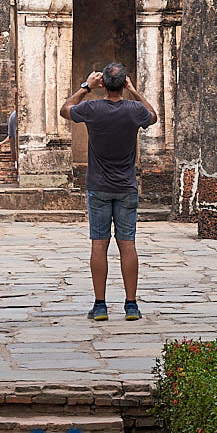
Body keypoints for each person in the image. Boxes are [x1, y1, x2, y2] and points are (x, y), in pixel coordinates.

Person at [61, 63, 156, 321]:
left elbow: (65, 110)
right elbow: (153, 115)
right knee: (128, 245)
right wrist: (135, 91)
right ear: (124, 84)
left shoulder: (92, 108)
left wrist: (85, 87)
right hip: (126, 187)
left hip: (98, 187)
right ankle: (131, 305)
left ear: (102, 84)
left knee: (99, 245)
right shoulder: (135, 110)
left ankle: (100, 305)